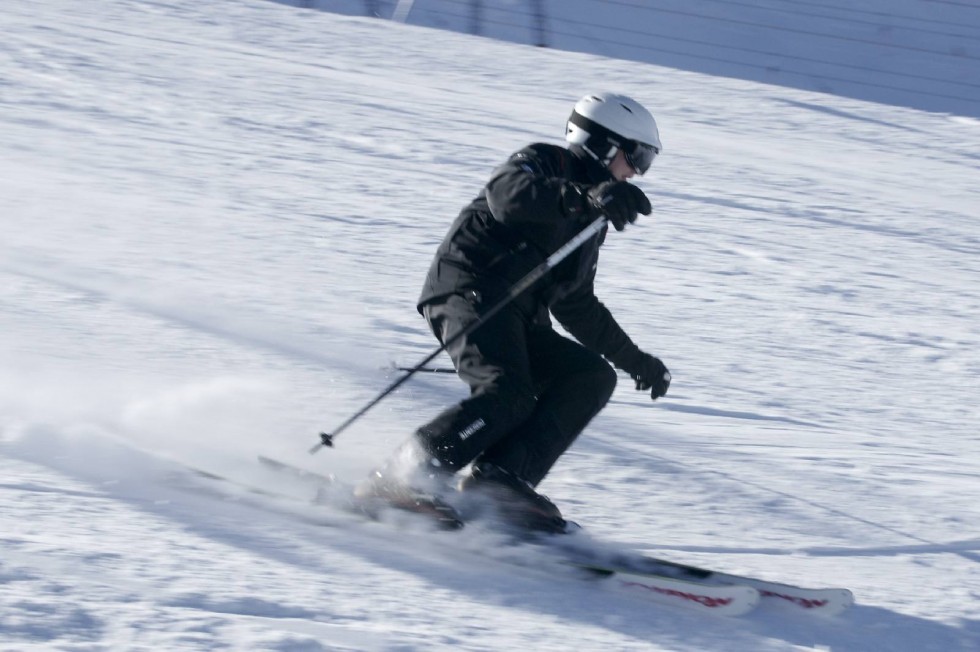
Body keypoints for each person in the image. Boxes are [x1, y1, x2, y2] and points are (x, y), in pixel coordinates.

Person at [356, 93, 671, 533]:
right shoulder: (545, 164)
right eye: (635, 156)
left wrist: (636, 360)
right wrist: (585, 197)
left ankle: (501, 481)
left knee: (591, 376)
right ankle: (401, 479)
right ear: (602, 144)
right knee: (507, 391)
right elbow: (507, 197)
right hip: (468, 289)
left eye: (646, 161)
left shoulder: (592, 216)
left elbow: (574, 301)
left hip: (519, 314)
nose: (637, 171)